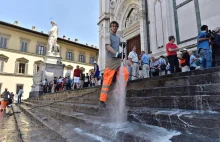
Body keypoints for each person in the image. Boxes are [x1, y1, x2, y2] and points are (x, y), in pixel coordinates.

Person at [99, 21, 129, 107]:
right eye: (113, 26)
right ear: (110, 28)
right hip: (110, 60)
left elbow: (122, 44)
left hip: (118, 60)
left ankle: (119, 93)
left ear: (117, 28)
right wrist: (116, 53)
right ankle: (102, 100)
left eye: (116, 26)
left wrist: (124, 44)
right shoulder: (108, 35)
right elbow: (107, 46)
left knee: (125, 73)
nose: (114, 27)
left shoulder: (118, 37)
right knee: (107, 79)